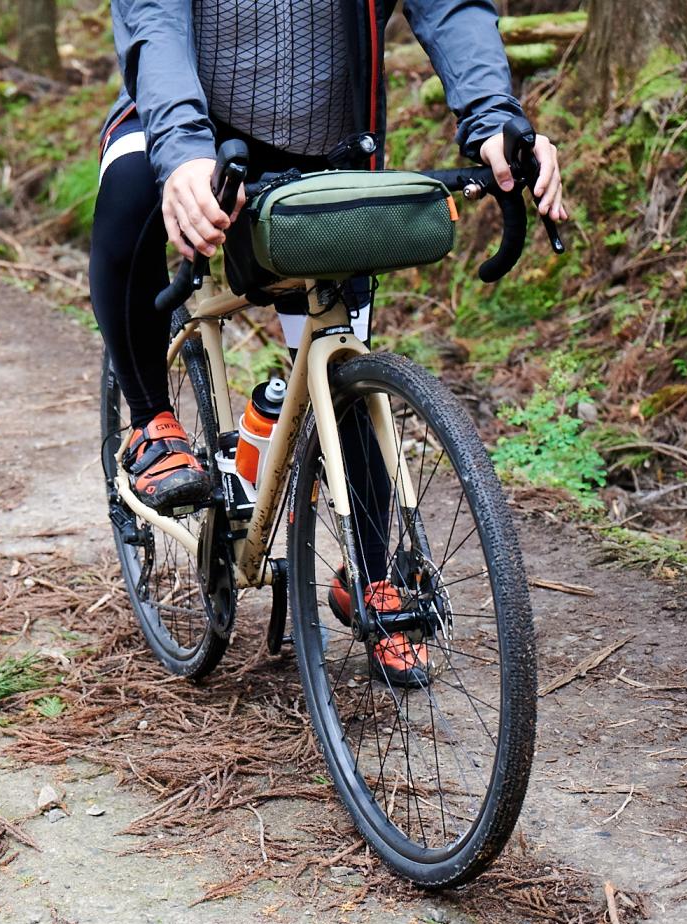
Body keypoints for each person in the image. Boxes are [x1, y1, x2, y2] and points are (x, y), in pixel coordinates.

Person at [91, 1, 569, 684]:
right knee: (129, 192)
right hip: (185, 125)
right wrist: (183, 152)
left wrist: (493, 119)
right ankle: (149, 422)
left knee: (344, 361)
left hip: (328, 145)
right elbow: (153, 23)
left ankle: (372, 574)